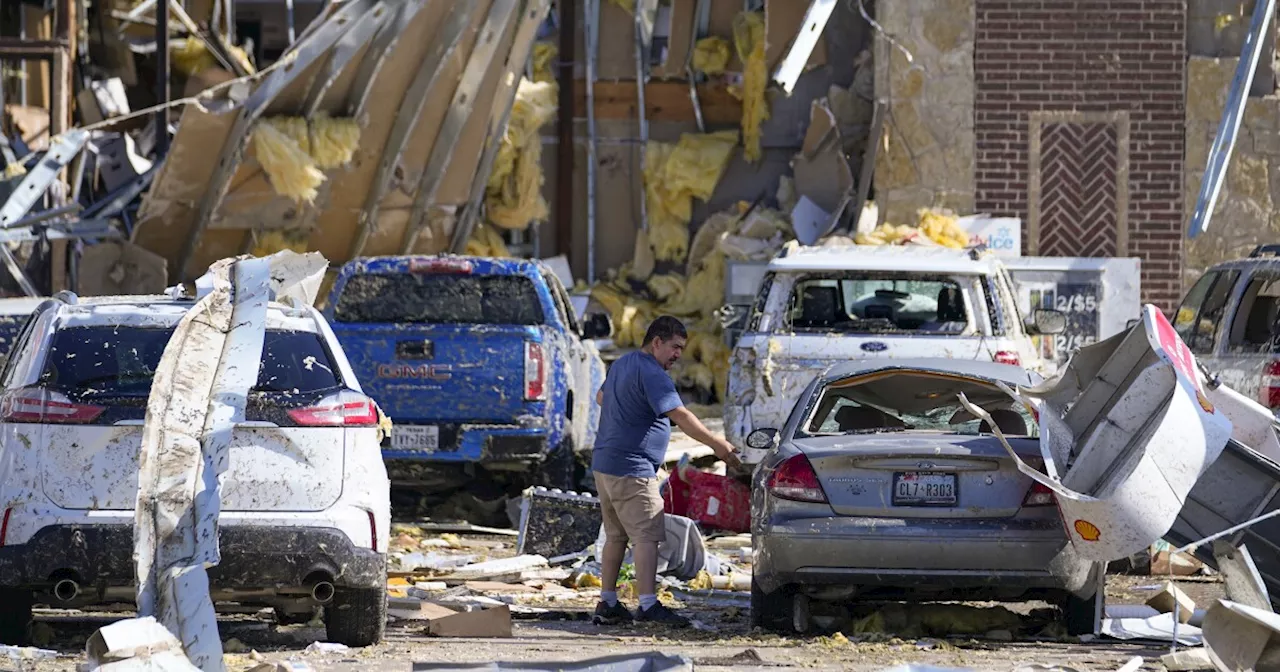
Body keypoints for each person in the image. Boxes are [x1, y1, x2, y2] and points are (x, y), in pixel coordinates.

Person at [590, 315, 742, 626]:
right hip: (632, 468)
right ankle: (647, 605)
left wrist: (628, 412)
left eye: (681, 349)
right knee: (647, 536)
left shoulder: (622, 363)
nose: (677, 355)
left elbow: (601, 397)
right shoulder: (652, 372)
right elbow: (681, 415)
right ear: (656, 342)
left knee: (616, 537)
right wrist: (719, 446)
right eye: (674, 347)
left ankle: (607, 602)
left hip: (605, 464)